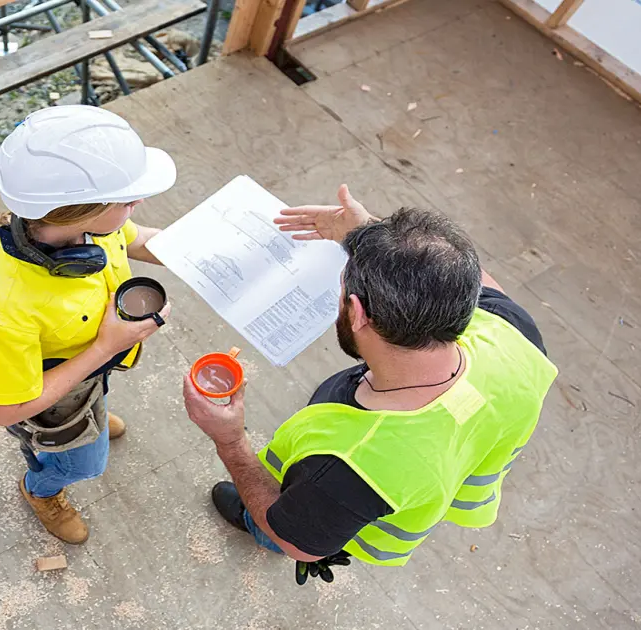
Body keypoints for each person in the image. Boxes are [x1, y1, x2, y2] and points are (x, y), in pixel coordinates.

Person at [181, 184, 556, 583]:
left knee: (284, 526)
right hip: (425, 475)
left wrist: (231, 443)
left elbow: (300, 544)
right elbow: (473, 276)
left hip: (329, 514)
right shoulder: (513, 332)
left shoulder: (353, 465)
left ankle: (253, 523)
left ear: (357, 312)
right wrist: (369, 234)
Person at [0, 105, 175, 544]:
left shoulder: (95, 226)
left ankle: (95, 412)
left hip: (93, 366)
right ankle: (42, 488)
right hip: (53, 391)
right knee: (85, 463)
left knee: (96, 406)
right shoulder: (1, 308)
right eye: (128, 199)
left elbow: (139, 238)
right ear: (78, 212)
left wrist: (214, 252)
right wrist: (105, 348)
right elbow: (3, 409)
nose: (139, 204)